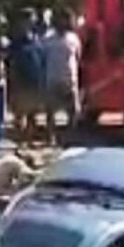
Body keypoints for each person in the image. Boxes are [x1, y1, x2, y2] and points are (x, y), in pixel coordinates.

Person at [41, 10, 82, 145]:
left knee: (74, 110)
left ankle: (70, 137)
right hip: (52, 78)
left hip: (70, 79)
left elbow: (78, 56)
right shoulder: (47, 39)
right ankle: (51, 137)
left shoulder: (73, 38)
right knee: (50, 110)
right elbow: (43, 58)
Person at [6, 15, 44, 147]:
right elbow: (9, 61)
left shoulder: (37, 40)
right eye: (27, 21)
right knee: (19, 114)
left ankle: (30, 140)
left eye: (31, 21)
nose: (29, 23)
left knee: (32, 115)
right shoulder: (15, 42)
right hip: (20, 81)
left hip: (35, 80)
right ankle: (19, 142)